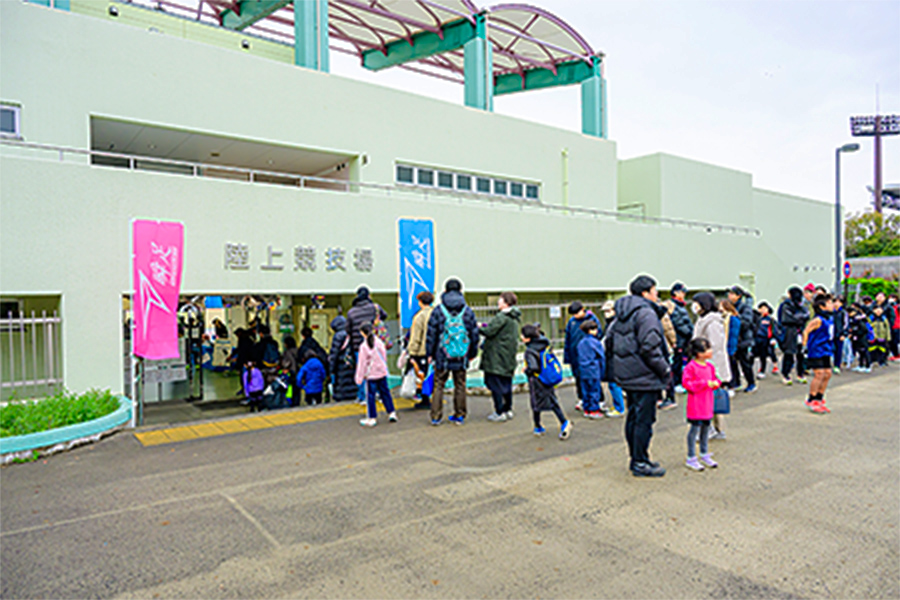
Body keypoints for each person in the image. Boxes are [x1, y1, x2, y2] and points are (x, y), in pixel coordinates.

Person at [606, 275, 669, 477]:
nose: (657, 294)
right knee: (643, 421)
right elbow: (650, 347)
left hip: (628, 375)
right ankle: (640, 462)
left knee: (633, 417)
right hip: (645, 376)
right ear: (645, 293)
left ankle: (637, 458)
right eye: (654, 290)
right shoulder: (645, 313)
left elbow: (609, 342)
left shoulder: (622, 314)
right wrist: (665, 370)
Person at [425, 278, 479, 426]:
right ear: (461, 291)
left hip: (442, 354)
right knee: (460, 384)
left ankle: (436, 416)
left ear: (445, 291)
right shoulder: (467, 311)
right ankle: (459, 414)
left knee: (439, 384)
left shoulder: (438, 310)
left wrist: (429, 353)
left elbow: (431, 335)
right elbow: (474, 334)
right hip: (461, 355)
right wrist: (472, 353)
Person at [692, 292, 731, 440]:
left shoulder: (712, 322)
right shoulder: (704, 319)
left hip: (711, 366)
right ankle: (717, 429)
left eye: (696, 303)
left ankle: (709, 429)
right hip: (706, 364)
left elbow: (716, 346)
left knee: (706, 400)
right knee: (710, 400)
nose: (694, 306)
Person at [521, 323, 571, 440]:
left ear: (528, 338)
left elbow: (533, 367)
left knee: (536, 404)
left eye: (523, 335)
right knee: (552, 400)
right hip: (547, 378)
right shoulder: (544, 344)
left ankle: (539, 426)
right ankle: (562, 422)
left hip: (537, 381)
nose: (521, 337)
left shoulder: (530, 350)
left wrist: (526, 370)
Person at [479, 291, 522, 422]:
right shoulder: (513, 317)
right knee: (506, 384)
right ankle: (507, 409)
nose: (498, 302)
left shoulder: (502, 316)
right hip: (507, 356)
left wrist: (478, 327)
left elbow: (489, 331)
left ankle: (499, 411)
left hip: (496, 356)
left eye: (500, 300)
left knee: (495, 385)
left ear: (506, 303)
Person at [681, 337, 721, 471]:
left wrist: (716, 383)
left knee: (706, 429)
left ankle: (704, 453)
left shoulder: (710, 366)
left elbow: (716, 379)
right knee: (694, 430)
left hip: (708, 404)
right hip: (696, 405)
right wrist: (704, 384)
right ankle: (691, 457)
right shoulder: (691, 367)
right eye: (707, 348)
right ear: (698, 353)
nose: (710, 351)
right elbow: (687, 384)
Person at [346, 286, 389, 401]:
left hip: (358, 346)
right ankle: (379, 394)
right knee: (378, 369)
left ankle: (363, 396)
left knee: (362, 369)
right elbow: (384, 316)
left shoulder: (351, 312)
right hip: (374, 344)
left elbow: (348, 330)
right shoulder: (374, 308)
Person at [355, 322, 397, 427]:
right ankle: (391, 413)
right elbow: (384, 356)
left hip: (371, 374)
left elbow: (362, 363)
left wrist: (359, 377)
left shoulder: (364, 346)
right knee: (385, 393)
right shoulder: (379, 342)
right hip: (381, 372)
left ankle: (372, 418)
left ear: (363, 333)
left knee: (370, 396)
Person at [564, 301, 602, 413]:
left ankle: (598, 401)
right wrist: (567, 357)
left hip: (589, 357)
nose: (575, 316)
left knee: (593, 381)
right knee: (579, 378)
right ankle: (582, 399)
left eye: (576, 313)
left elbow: (599, 335)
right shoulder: (571, 322)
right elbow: (568, 339)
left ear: (582, 310)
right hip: (575, 356)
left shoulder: (592, 319)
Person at [803, 294, 835, 413]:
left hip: (826, 349)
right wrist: (804, 347)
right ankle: (812, 399)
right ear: (822, 306)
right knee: (819, 374)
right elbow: (806, 331)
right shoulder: (817, 320)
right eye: (829, 303)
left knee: (828, 373)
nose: (832, 305)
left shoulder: (829, 319)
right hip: (816, 350)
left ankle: (820, 398)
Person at [407, 291, 435, 410]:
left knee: (421, 376)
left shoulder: (419, 316)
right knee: (432, 375)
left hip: (422, 351)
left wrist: (411, 352)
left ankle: (424, 399)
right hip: (435, 351)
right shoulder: (436, 313)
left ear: (420, 302)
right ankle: (433, 398)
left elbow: (416, 337)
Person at [665, 282, 694, 395]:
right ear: (675, 293)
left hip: (684, 339)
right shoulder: (673, 307)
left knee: (683, 361)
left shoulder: (681, 306)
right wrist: (689, 332)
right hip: (679, 340)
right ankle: (677, 383)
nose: (684, 294)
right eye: (682, 292)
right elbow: (678, 324)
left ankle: (681, 382)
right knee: (677, 362)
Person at [727, 286, 757, 393]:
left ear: (739, 296)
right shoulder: (729, 306)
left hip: (743, 339)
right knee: (732, 362)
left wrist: (735, 318)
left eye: (732, 294)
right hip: (732, 339)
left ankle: (751, 383)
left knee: (745, 363)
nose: (729, 296)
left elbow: (746, 323)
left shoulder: (745, 308)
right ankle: (736, 382)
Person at [777, 287, 810, 385]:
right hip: (789, 333)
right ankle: (786, 374)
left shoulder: (802, 305)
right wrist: (799, 319)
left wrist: (798, 318)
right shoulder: (786, 305)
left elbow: (806, 315)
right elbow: (787, 319)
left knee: (801, 354)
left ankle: (800, 374)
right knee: (789, 354)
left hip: (800, 332)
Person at [599, 300, 625, 418]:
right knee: (612, 384)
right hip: (610, 356)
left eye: (608, 311)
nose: (606, 313)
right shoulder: (610, 324)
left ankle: (619, 408)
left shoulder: (616, 324)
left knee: (614, 384)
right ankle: (617, 406)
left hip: (614, 357)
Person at [576, 319, 606, 419]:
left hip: (583, 369)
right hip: (594, 369)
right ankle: (594, 410)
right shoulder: (595, 343)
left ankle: (587, 409)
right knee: (594, 390)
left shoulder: (581, 343)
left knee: (585, 390)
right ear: (590, 330)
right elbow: (601, 357)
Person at [328, 315, 358, 402]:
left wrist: (331, 370)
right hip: (351, 365)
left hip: (341, 367)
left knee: (342, 389)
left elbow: (334, 355)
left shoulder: (338, 336)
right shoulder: (352, 334)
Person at [721, 299, 741, 390]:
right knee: (732, 365)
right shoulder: (724, 318)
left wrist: (731, 349)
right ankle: (735, 383)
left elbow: (733, 335)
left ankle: (733, 384)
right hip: (726, 345)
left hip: (730, 346)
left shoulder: (732, 319)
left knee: (731, 366)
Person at [753, 302, 778, 378]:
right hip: (757, 339)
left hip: (767, 339)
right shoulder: (757, 318)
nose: (763, 310)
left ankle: (766, 369)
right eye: (761, 308)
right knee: (754, 355)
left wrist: (773, 338)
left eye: (765, 308)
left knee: (769, 354)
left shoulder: (770, 319)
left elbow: (774, 329)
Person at [848, 304, 872, 373]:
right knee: (860, 352)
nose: (849, 314)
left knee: (865, 352)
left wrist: (855, 333)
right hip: (856, 338)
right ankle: (861, 365)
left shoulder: (859, 319)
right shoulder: (853, 319)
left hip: (862, 338)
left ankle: (868, 366)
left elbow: (864, 329)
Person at [831, 296, 848, 375]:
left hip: (839, 334)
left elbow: (846, 324)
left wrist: (844, 334)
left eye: (838, 302)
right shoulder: (831, 312)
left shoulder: (843, 313)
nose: (836, 303)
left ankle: (837, 365)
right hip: (831, 334)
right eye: (835, 302)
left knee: (838, 351)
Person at [888, 294, 900, 361]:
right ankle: (895, 354)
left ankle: (897, 355)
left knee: (896, 341)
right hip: (891, 326)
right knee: (891, 341)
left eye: (892, 298)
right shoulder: (889, 306)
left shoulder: (897, 306)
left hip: (897, 326)